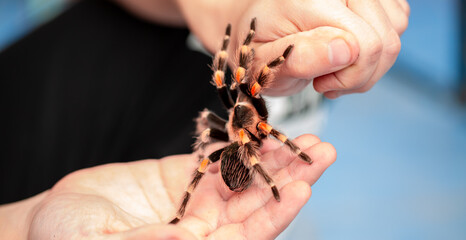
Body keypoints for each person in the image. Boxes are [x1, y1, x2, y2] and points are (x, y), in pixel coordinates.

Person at [0, 0, 409, 239]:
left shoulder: (232, 116)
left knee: (215, 121)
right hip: (218, 139)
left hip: (230, 143)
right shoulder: (250, 118)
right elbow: (256, 105)